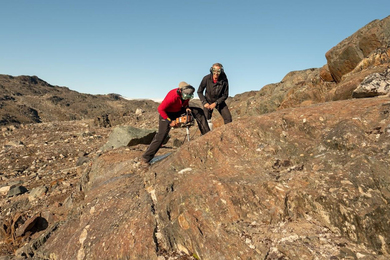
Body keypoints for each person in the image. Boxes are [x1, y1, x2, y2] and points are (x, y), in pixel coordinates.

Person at [141, 81, 210, 165]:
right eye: (186, 95)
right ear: (180, 91)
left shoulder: (187, 93)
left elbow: (185, 102)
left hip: (178, 111)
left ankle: (207, 136)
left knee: (198, 111)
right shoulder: (172, 96)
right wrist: (169, 121)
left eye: (189, 96)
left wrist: (187, 107)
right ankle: (146, 157)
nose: (187, 97)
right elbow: (160, 109)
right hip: (167, 114)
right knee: (161, 135)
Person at [197, 63, 232, 128]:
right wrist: (204, 102)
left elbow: (225, 95)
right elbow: (199, 91)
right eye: (214, 70)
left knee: (228, 118)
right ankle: (205, 136)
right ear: (211, 70)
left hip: (219, 101)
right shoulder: (206, 78)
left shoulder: (224, 80)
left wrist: (216, 103)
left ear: (221, 71)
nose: (216, 73)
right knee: (206, 121)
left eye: (218, 71)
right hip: (208, 101)